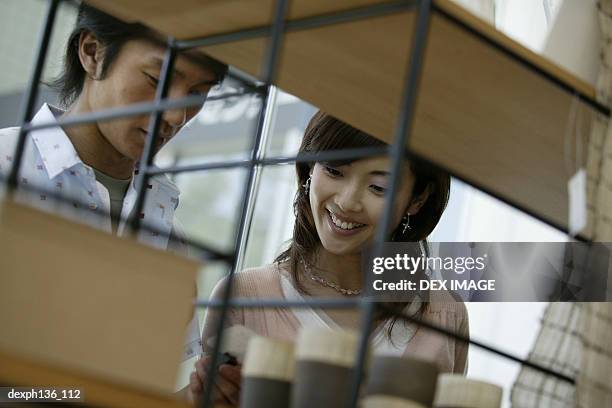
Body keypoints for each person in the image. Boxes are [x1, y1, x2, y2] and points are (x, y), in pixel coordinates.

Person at [187, 111, 469, 406]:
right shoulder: (244, 297)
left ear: (417, 200)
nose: (347, 202)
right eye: (334, 171)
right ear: (310, 168)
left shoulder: (446, 315)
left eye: (379, 188)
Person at [0, 4, 227, 249]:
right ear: (93, 53)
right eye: (157, 81)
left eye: (197, 93)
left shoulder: (169, 230)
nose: (176, 116)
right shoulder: (6, 166)